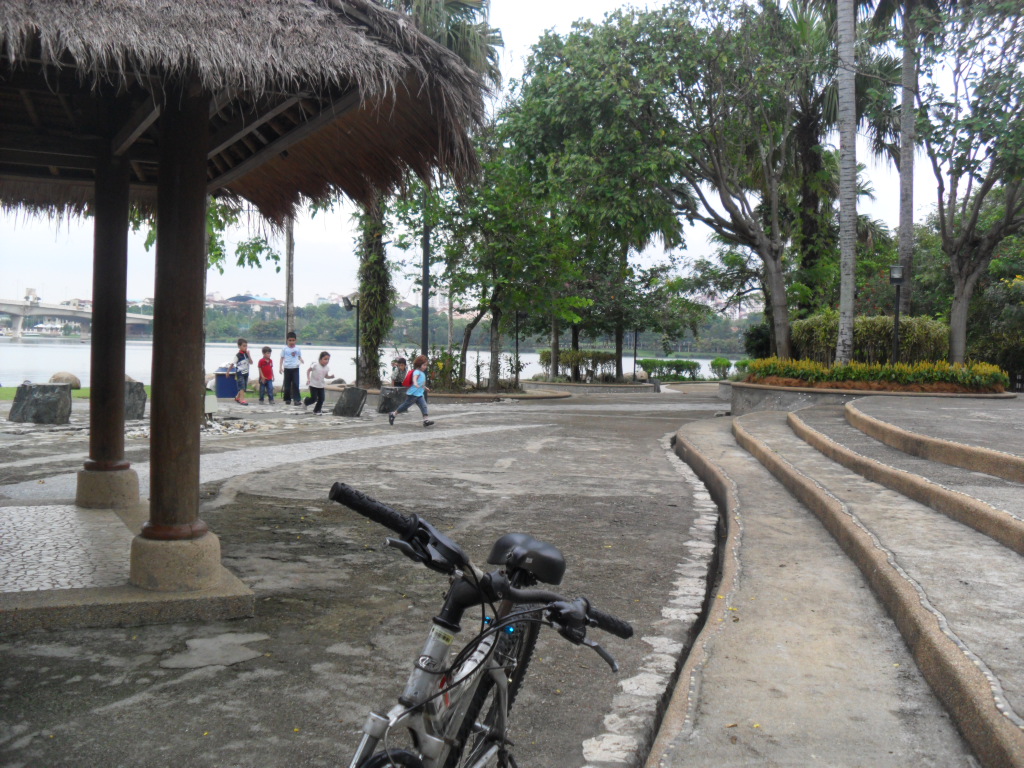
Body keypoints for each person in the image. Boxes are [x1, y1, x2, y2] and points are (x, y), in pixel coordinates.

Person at [389, 354, 433, 428]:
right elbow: (415, 379)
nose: (425, 367)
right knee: (405, 406)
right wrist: (415, 383)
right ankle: (393, 414)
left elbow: (421, 383)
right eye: (424, 365)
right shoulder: (417, 372)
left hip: (419, 394)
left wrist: (425, 388)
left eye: (426, 365)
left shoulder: (422, 373)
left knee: (424, 406)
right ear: (419, 365)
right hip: (413, 394)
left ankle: (426, 420)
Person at [304, 351, 335, 416]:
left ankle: (317, 410)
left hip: (321, 385)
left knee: (322, 399)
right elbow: (308, 371)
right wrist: (308, 379)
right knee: (314, 398)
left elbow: (326, 376)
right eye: (325, 359)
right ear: (320, 359)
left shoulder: (327, 368)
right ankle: (306, 401)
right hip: (313, 385)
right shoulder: (315, 365)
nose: (326, 361)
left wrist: (330, 377)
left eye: (328, 359)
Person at [279, 331, 304, 407]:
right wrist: (280, 367)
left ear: (295, 340)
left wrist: (301, 360)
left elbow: (299, 356)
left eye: (293, 340)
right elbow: (282, 358)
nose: (291, 342)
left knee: (296, 384)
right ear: (287, 340)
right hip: (287, 368)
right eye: (290, 340)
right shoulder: (285, 349)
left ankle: (297, 399)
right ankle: (287, 399)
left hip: (295, 368)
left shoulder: (297, 349)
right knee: (287, 385)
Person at [228, 337, 253, 405]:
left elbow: (251, 362)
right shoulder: (238, 356)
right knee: (241, 386)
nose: (245, 347)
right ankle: (242, 399)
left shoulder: (246, 355)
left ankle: (237, 397)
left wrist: (249, 355)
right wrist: (228, 371)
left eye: (246, 346)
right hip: (240, 373)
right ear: (239, 346)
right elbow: (232, 364)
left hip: (246, 373)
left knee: (244, 387)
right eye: (244, 346)